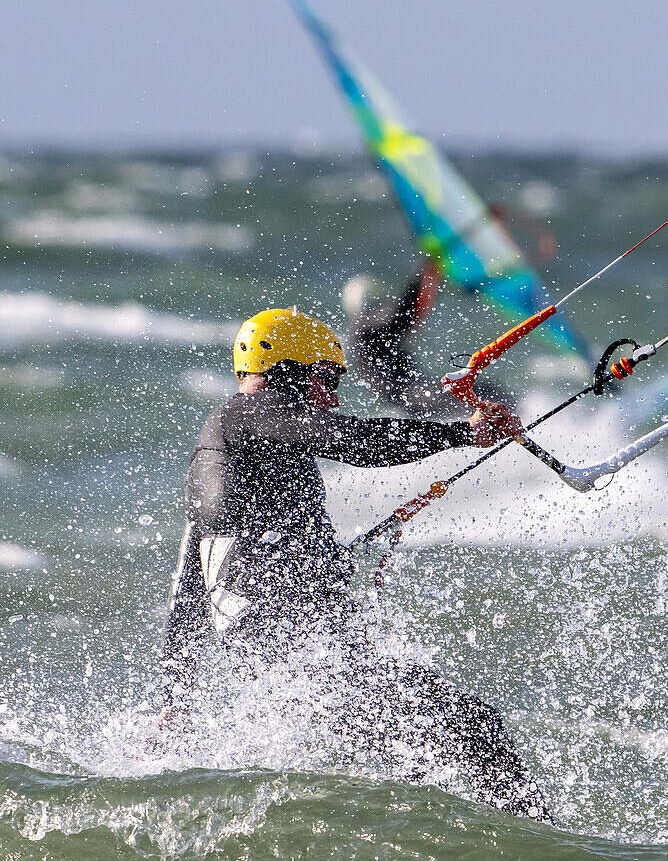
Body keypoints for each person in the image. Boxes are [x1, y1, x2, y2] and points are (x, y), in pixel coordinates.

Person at [159, 307, 552, 821]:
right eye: (328, 378)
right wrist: (462, 433)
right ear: (288, 372)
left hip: (295, 672)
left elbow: (191, 582)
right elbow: (352, 439)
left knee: (431, 758)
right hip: (307, 669)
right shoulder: (246, 418)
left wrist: (173, 696)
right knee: (478, 732)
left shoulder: (229, 447)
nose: (335, 395)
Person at [342, 265, 508, 417]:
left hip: (412, 396)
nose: (384, 305)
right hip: (411, 397)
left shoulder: (360, 333)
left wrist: (431, 276)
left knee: (484, 389)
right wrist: (426, 268)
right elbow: (403, 312)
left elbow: (410, 313)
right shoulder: (366, 328)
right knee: (481, 391)